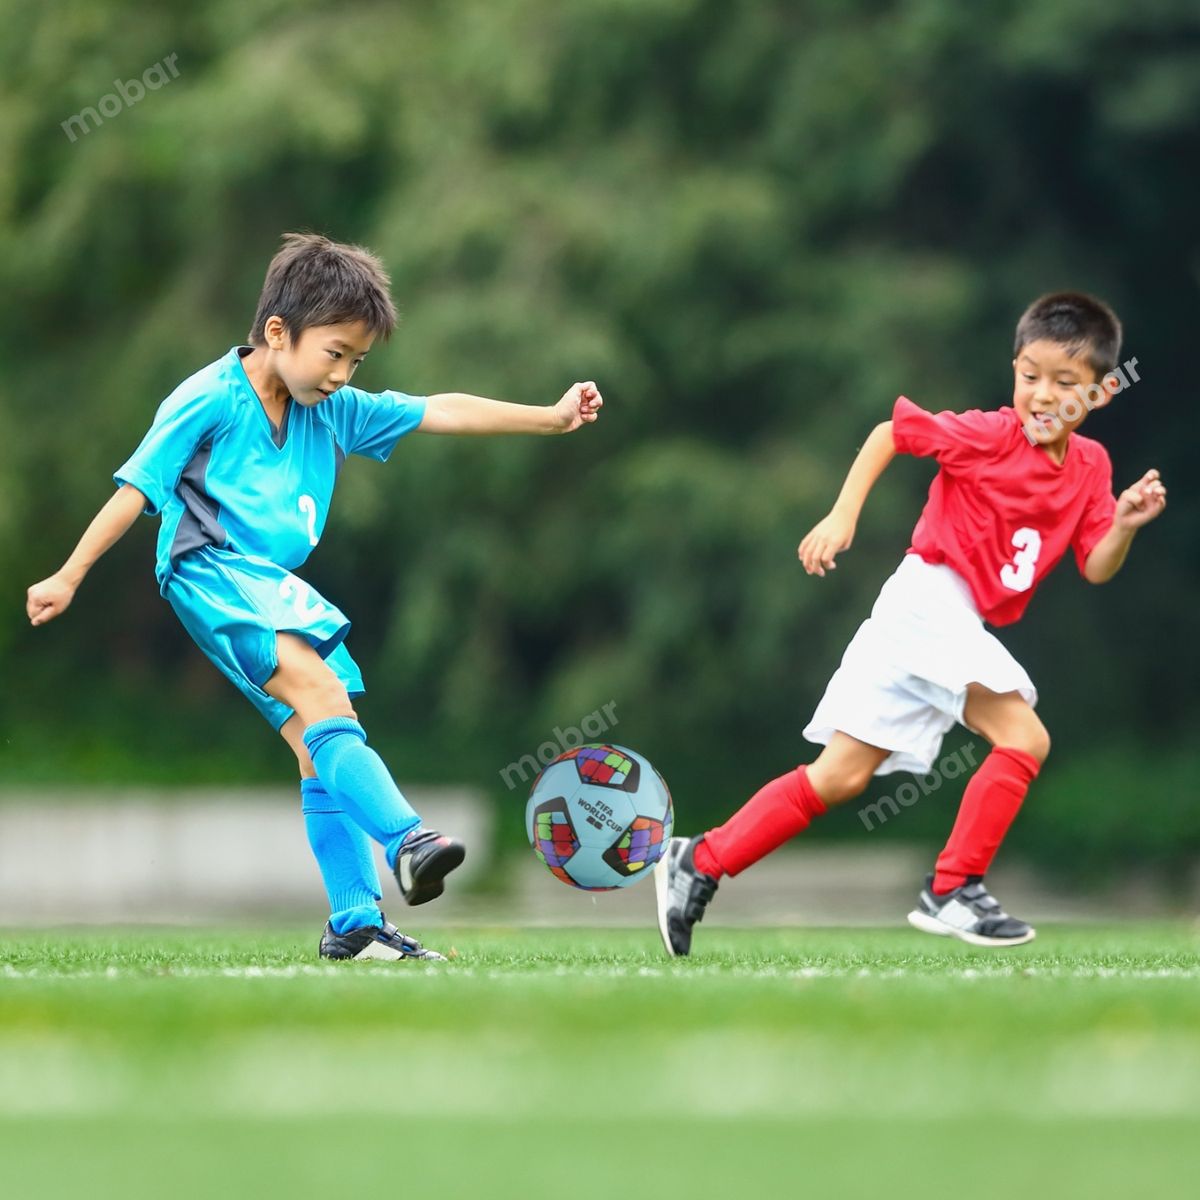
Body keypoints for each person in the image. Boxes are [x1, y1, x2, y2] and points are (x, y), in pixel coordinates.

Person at [27, 232, 603, 962]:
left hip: (269, 587)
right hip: (208, 569)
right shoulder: (207, 399)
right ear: (277, 332)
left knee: (316, 737)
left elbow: (440, 410)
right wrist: (69, 573)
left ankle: (355, 923)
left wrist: (549, 418)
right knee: (321, 691)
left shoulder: (329, 409)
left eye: (357, 360)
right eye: (335, 353)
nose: (343, 373)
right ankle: (408, 839)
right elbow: (136, 488)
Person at [655, 291, 1166, 954]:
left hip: (936, 620)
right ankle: (953, 889)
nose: (1042, 396)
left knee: (839, 776)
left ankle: (699, 861)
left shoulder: (1092, 467)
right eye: (1029, 376)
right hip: (927, 601)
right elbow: (891, 433)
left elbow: (1096, 565)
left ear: (1099, 394)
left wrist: (1123, 524)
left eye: (1065, 384)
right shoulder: (989, 435)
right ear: (1013, 371)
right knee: (1025, 737)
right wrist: (843, 516)